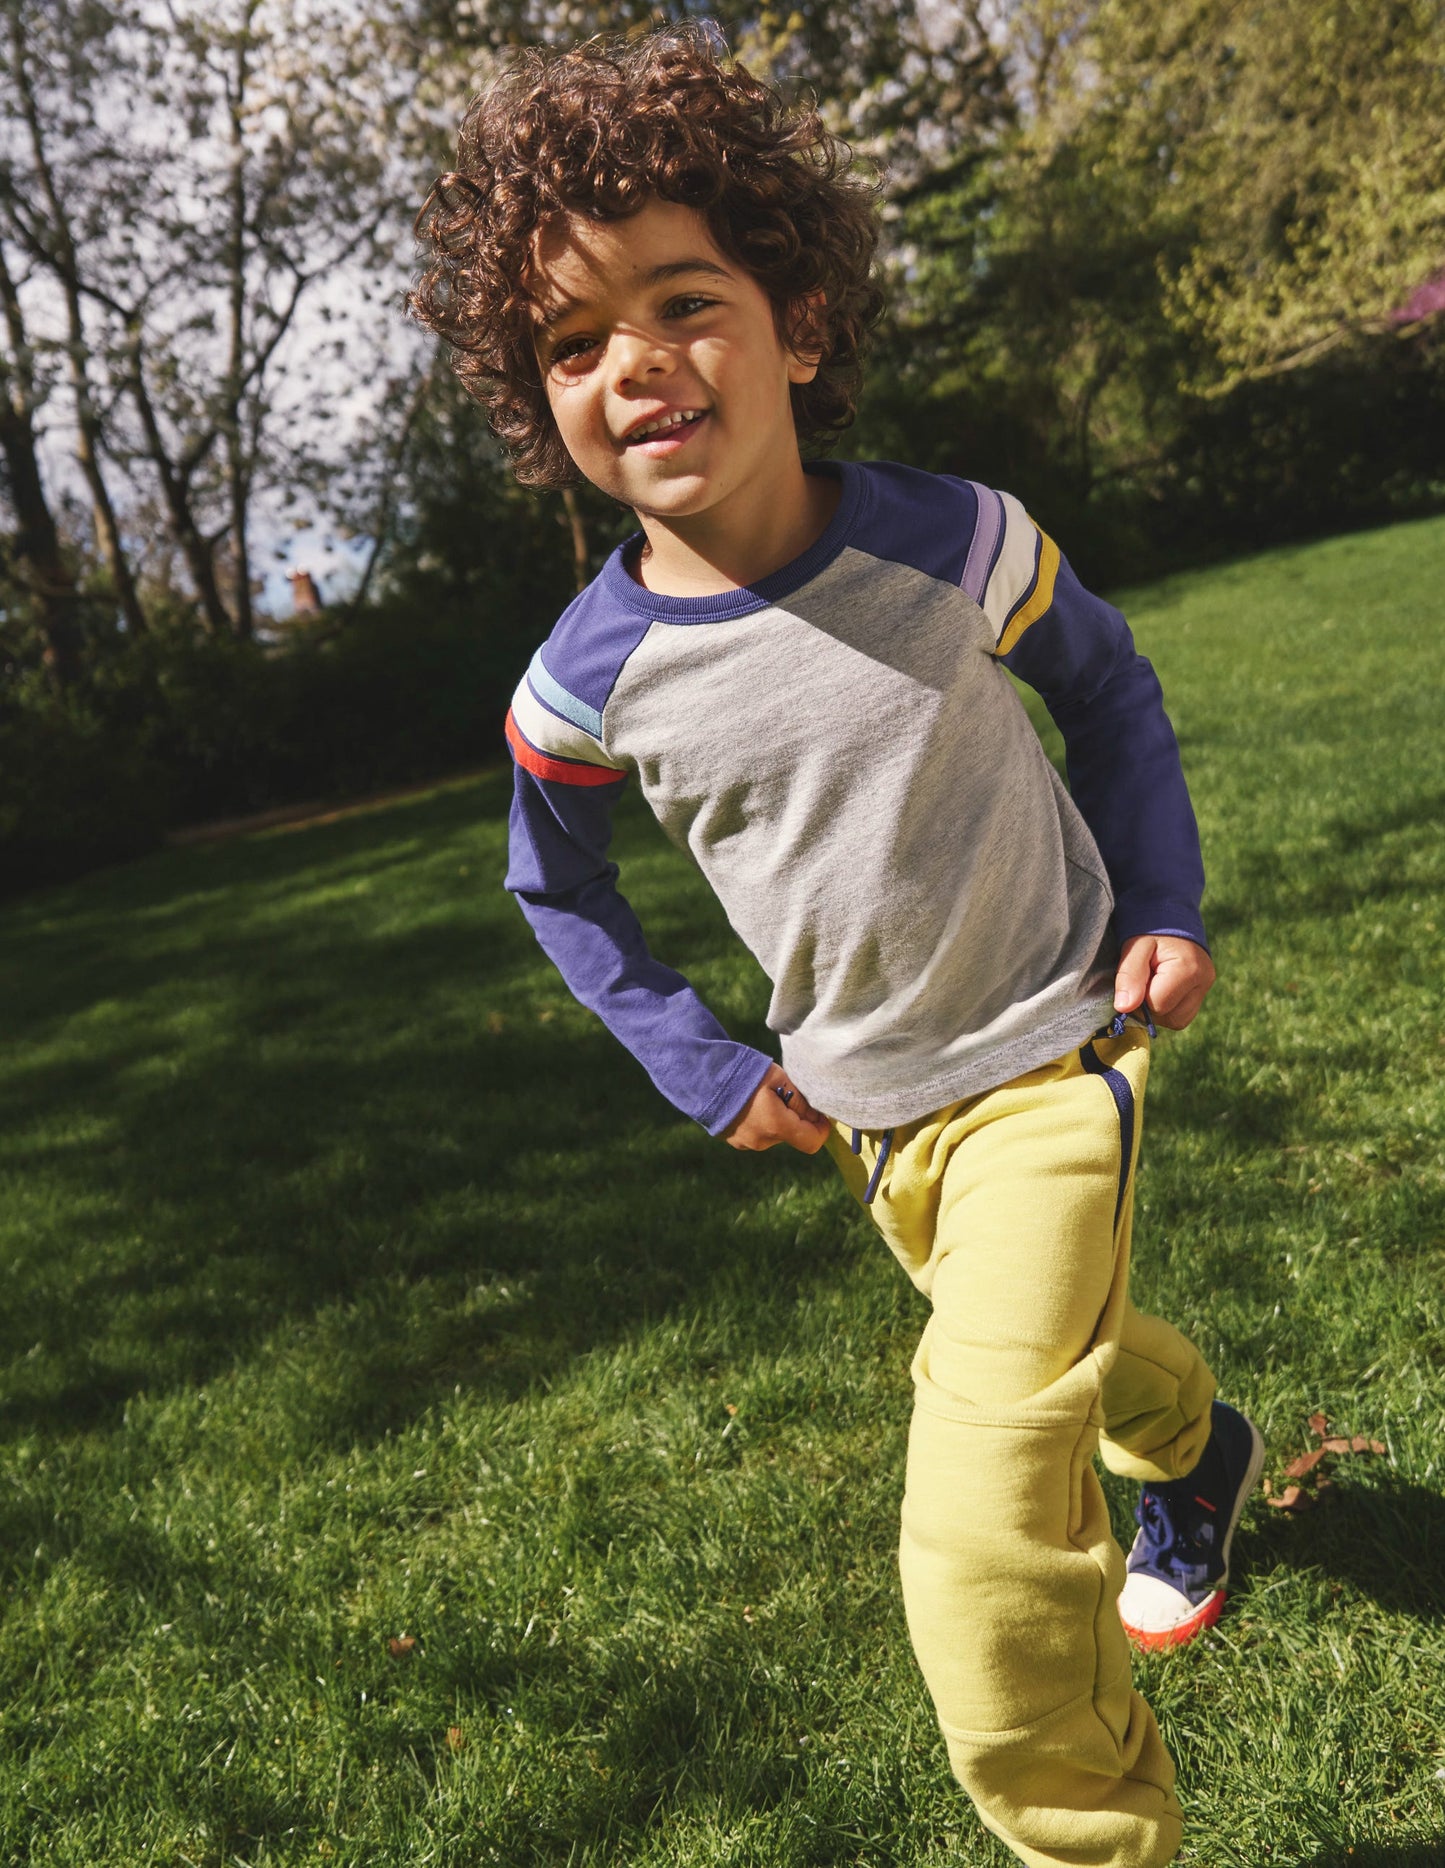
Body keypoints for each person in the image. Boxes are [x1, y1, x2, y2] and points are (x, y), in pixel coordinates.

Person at [410, 26, 1265, 1868]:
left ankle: (1091, 1836)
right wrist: (709, 1066)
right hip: (874, 1124)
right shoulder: (580, 686)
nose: (633, 362)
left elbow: (1106, 691)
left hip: (1050, 1065)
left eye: (681, 301)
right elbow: (554, 887)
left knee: (975, 1537)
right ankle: (1196, 1454)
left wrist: (1165, 905)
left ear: (796, 324)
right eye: (572, 341)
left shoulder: (959, 546)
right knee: (1076, 1355)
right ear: (536, 399)